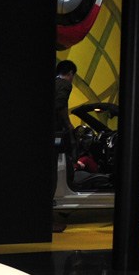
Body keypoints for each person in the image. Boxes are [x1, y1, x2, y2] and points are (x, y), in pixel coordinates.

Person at [52, 60, 77, 233]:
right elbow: (60, 105)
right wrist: (68, 125)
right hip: (54, 134)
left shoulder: (54, 83)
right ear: (70, 73)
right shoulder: (65, 84)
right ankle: (50, 222)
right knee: (51, 177)